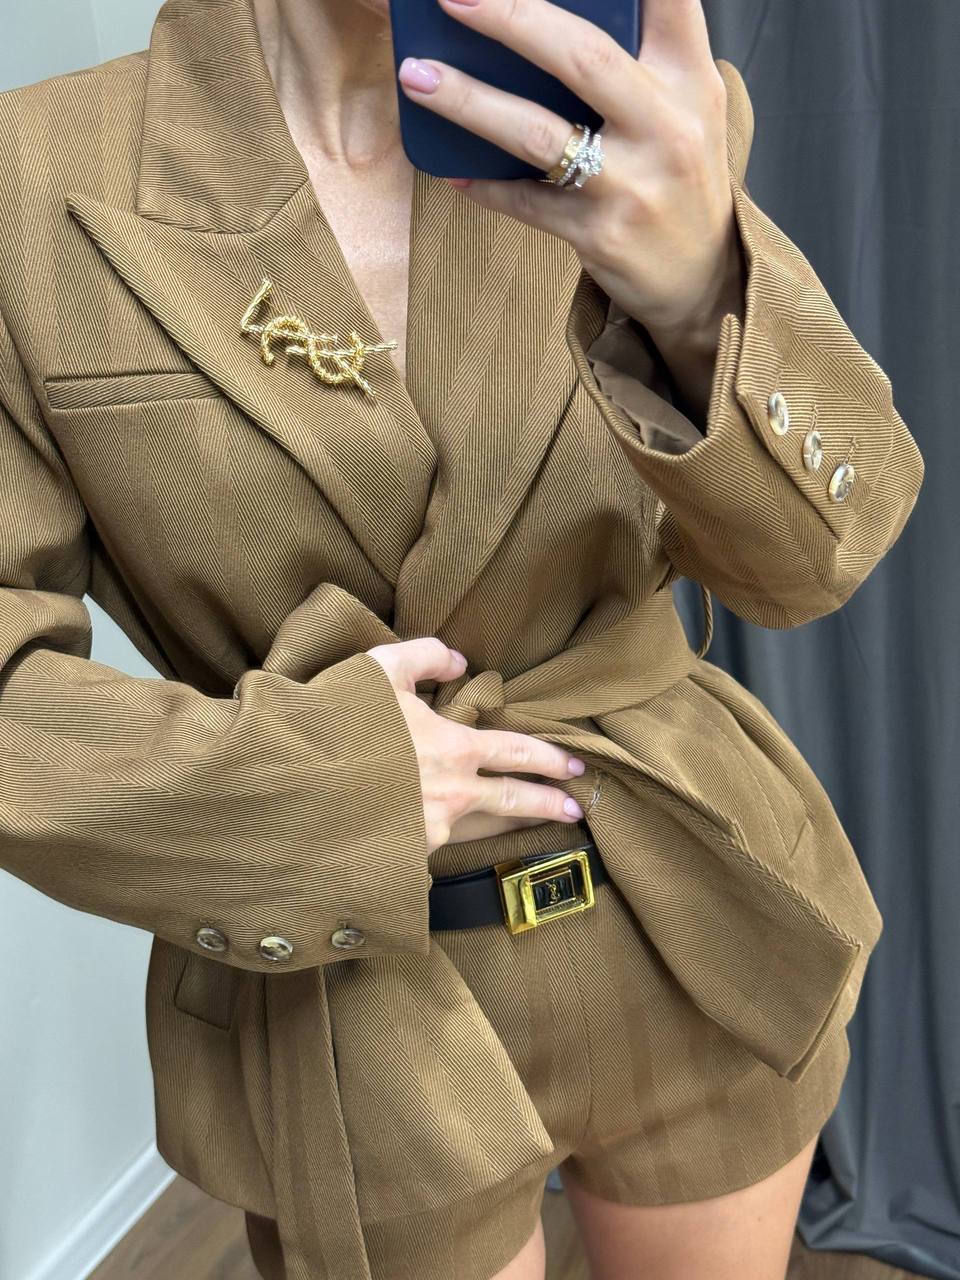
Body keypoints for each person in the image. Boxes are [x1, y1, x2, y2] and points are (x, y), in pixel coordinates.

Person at [0, 0, 924, 1278]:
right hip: (352, 999)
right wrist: (328, 782)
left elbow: (822, 553)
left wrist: (703, 299)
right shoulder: (36, 179)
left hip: (694, 913)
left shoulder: (634, 113)